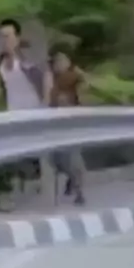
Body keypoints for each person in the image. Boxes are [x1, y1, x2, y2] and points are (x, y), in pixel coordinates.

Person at [0, 18, 52, 194]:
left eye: (8, 36)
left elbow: (46, 75)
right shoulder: (1, 61)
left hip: (33, 111)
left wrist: (45, 103)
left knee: (38, 150)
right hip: (13, 113)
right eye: (2, 36)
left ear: (18, 37)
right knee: (16, 151)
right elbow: (5, 86)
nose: (5, 40)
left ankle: (44, 183)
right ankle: (20, 185)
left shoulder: (27, 58)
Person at [49, 51, 87, 205]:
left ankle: (79, 191)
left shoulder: (73, 77)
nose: (58, 64)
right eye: (56, 62)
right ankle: (72, 181)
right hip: (57, 124)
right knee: (58, 159)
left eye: (62, 61)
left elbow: (85, 85)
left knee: (74, 157)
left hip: (73, 124)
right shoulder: (51, 80)